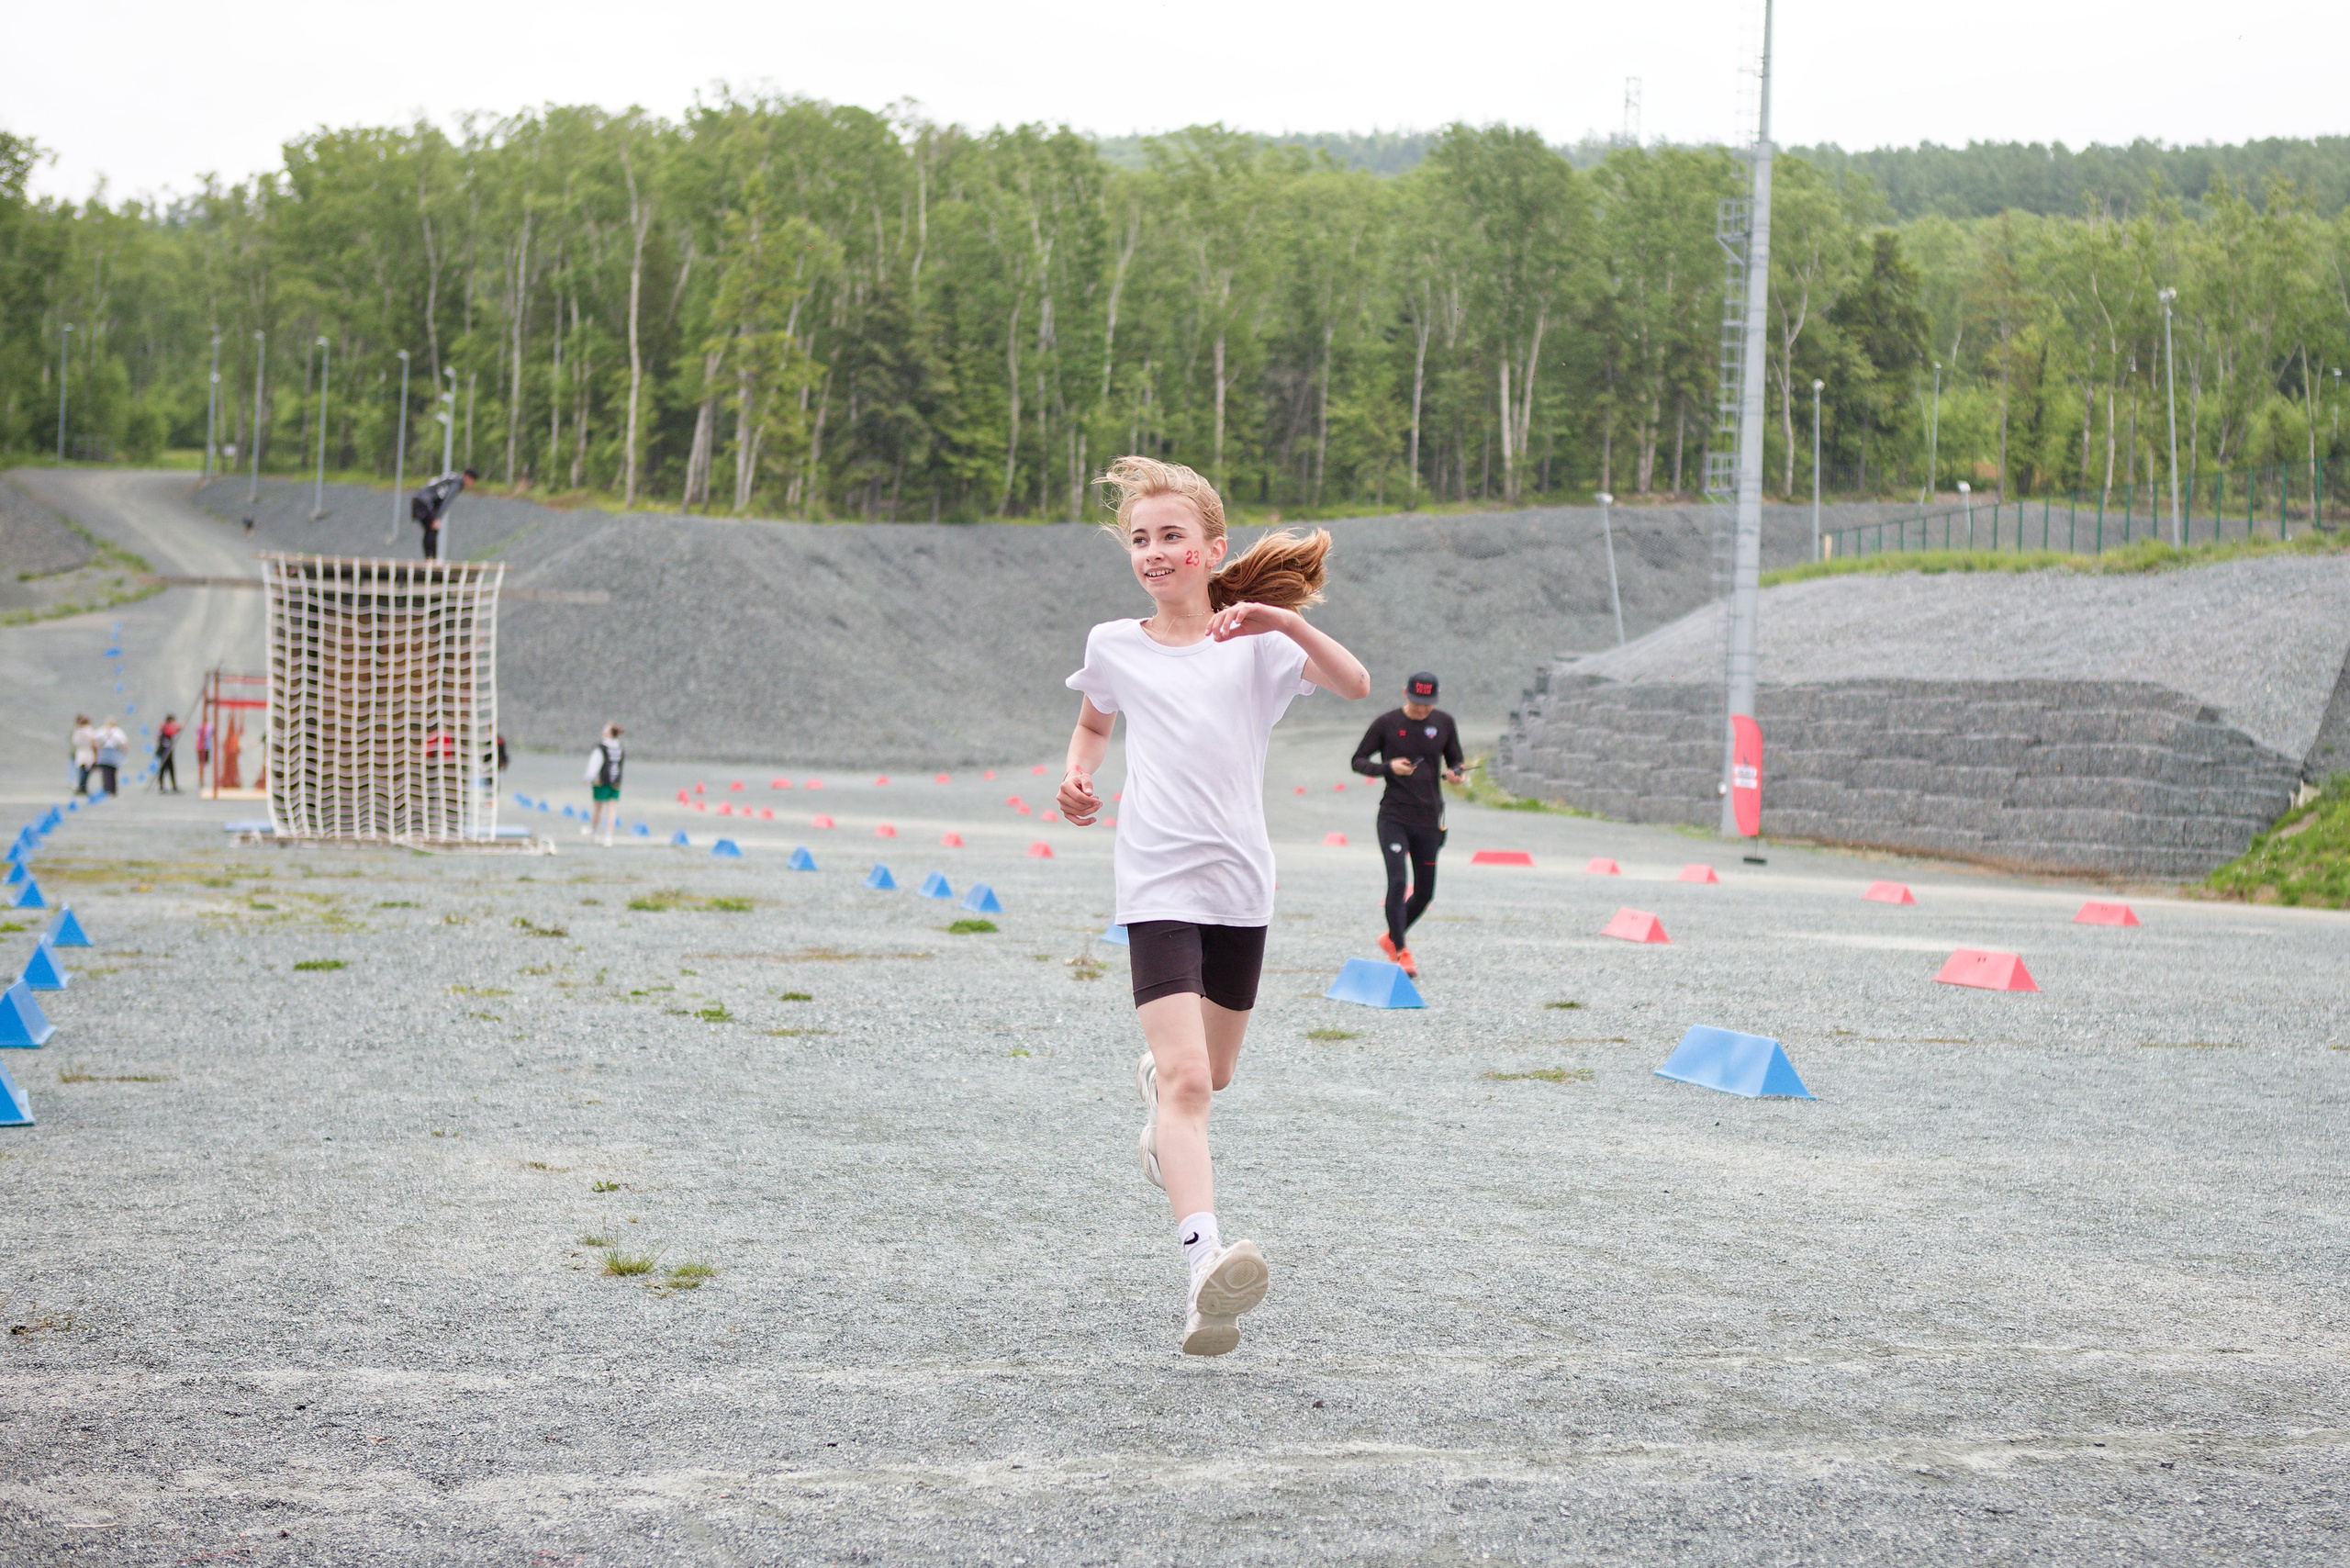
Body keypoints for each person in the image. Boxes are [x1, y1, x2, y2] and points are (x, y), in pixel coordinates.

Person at [1058, 454, 1371, 1358]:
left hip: (1241, 889)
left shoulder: (1260, 647)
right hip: (1155, 882)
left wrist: (1275, 616)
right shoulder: (1113, 644)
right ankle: (1203, 1272)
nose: (1153, 553)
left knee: (1209, 1078)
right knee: (1191, 1081)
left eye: (1170, 538)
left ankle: (1163, 1107)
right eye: (1140, 540)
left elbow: (1352, 683)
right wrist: (1075, 775)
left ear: (1210, 549)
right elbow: (1093, 720)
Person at [1350, 671, 1464, 980]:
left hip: (1429, 818)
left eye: (1427, 704)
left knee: (1425, 893)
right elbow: (1358, 760)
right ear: (1405, 693)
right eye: (1416, 703)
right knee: (1398, 882)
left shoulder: (1444, 722)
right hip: (1394, 817)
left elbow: (1456, 759)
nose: (1422, 710)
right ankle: (1400, 950)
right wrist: (1389, 767)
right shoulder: (1386, 723)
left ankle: (1390, 936)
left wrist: (1456, 772)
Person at [408, 467, 477, 560]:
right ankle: (431, 558)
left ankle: (431, 558)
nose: (472, 484)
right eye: (472, 481)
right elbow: (446, 502)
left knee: (431, 529)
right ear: (467, 477)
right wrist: (437, 518)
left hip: (420, 499)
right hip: (424, 501)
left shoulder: (454, 477)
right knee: (432, 529)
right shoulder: (457, 484)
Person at [584, 724, 624, 846]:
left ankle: (594, 831)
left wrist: (588, 778)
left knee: (598, 808)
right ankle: (608, 835)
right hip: (615, 782)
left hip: (601, 782)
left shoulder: (601, 748)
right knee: (611, 809)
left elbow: (594, 764)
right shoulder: (620, 748)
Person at [94, 716, 128, 797]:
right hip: (114, 753)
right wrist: (123, 753)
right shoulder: (118, 731)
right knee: (113, 772)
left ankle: (106, 789)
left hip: (103, 753)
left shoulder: (101, 731)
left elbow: (94, 740)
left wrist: (96, 751)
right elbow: (124, 743)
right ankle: (113, 789)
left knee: (105, 772)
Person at [153, 713, 183, 793]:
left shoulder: (164, 727)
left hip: (168, 751)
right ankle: (162, 786)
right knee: (163, 769)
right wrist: (178, 728)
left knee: (171, 769)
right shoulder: (165, 727)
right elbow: (170, 732)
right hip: (164, 751)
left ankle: (173, 786)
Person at [71, 715, 95, 796]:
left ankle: (81, 787)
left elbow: (74, 742)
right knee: (87, 771)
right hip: (88, 752)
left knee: (81, 770)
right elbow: (93, 741)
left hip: (80, 752)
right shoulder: (89, 730)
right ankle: (83, 787)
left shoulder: (77, 731)